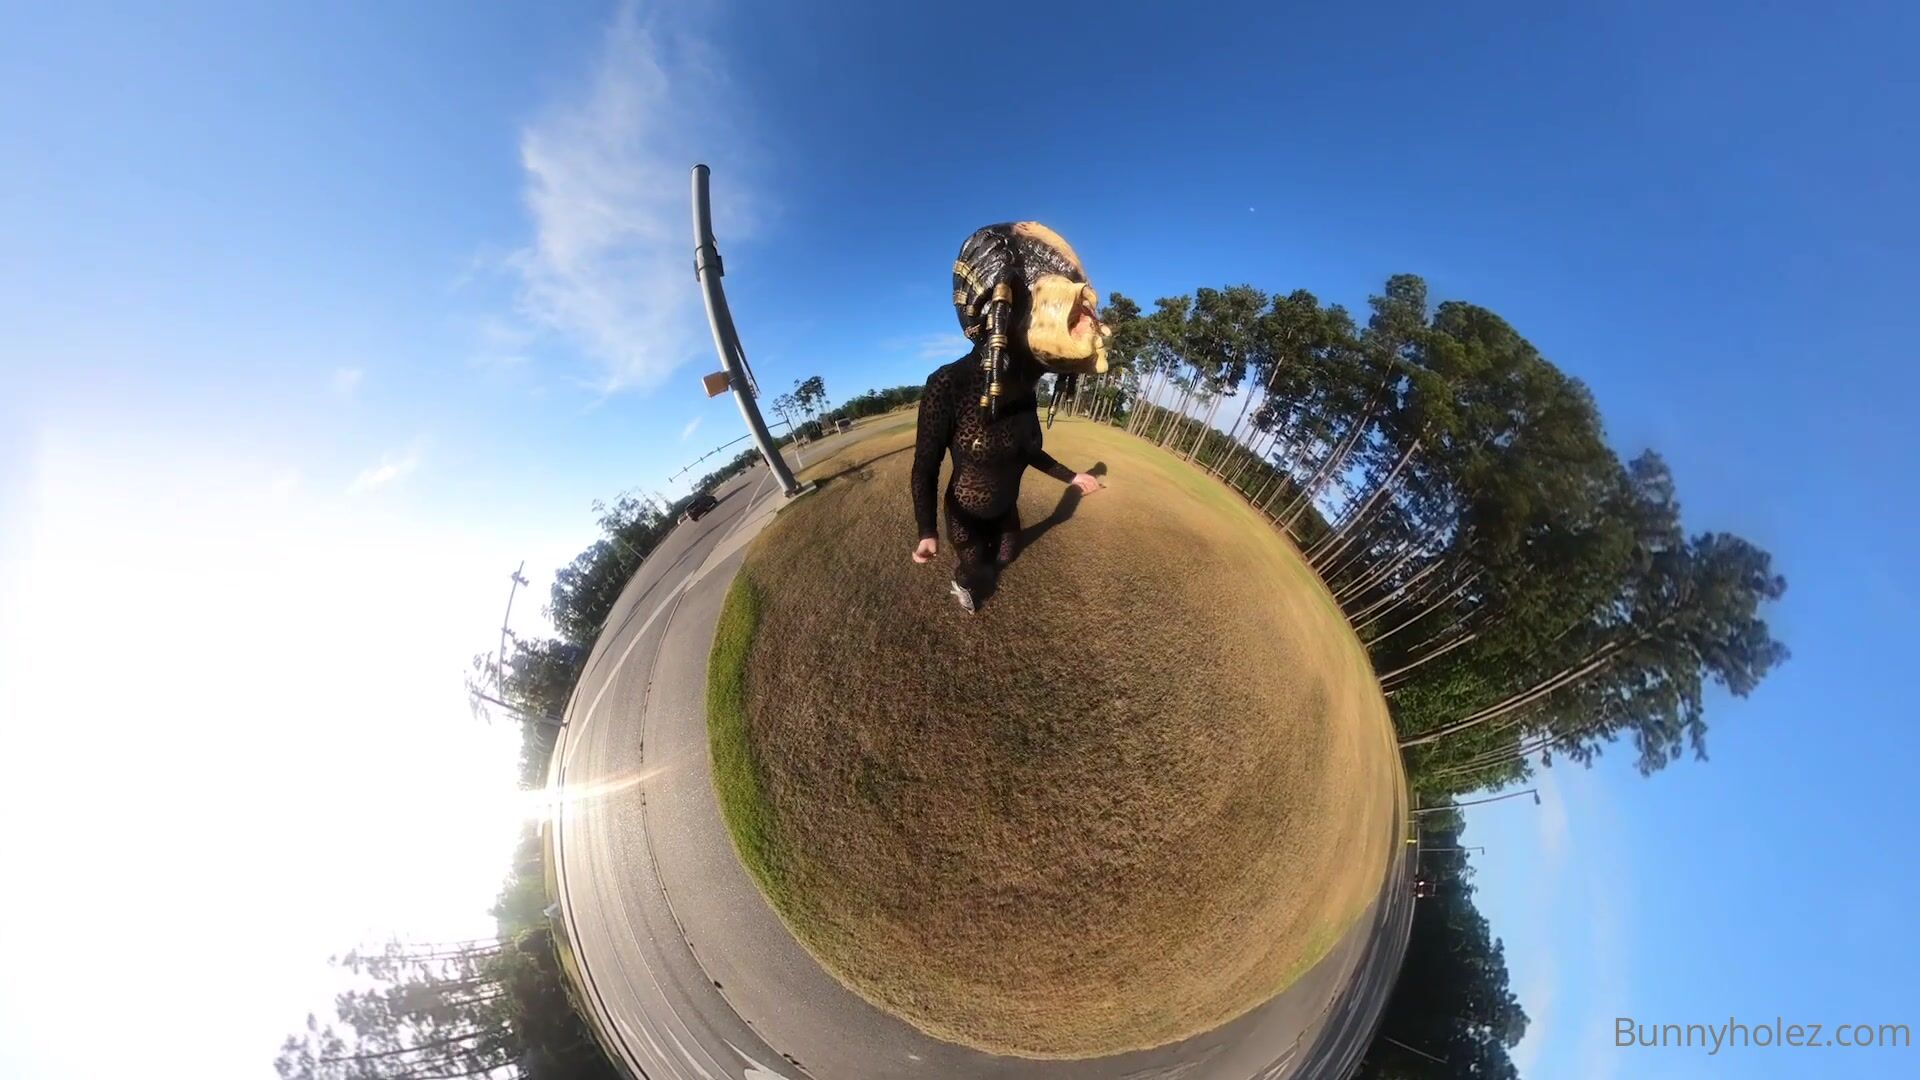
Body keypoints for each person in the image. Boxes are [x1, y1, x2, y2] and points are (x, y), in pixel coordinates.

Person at [909, 222, 1110, 613]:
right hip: (965, 514)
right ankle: (963, 582)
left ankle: (987, 561)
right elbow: (925, 467)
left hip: (1006, 509)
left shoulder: (1023, 390)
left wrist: (1072, 477)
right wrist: (927, 530)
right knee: (975, 567)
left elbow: (1028, 452)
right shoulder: (948, 384)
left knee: (1005, 555)